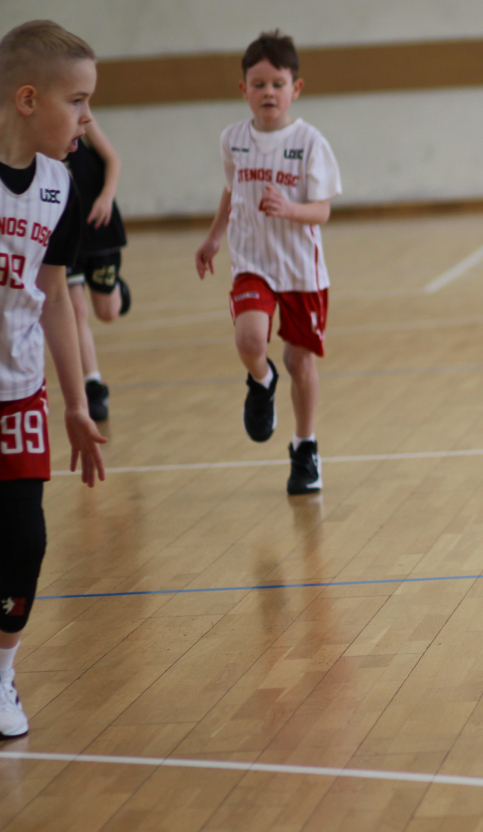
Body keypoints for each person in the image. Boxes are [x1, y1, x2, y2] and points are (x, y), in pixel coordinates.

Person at [0, 19, 107, 739]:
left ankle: (2, 673)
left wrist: (74, 402)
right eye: (78, 101)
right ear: (28, 99)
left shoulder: (60, 185)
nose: (87, 118)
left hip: (19, 391)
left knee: (25, 542)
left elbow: (57, 296)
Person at [195, 30, 341, 495]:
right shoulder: (233, 140)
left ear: (295, 88)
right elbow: (232, 189)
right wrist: (213, 237)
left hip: (301, 270)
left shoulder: (310, 142)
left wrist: (290, 209)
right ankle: (261, 379)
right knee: (250, 338)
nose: (268, 93)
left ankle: (305, 447)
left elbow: (322, 210)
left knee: (300, 362)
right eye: (258, 84)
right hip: (252, 261)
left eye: (278, 84)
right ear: (244, 90)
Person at [65, 116, 130, 422]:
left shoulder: (80, 113)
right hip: (66, 233)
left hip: (98, 225)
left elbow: (113, 159)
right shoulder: (34, 128)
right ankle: (94, 386)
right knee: (76, 310)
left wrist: (106, 197)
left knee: (107, 312)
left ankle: (118, 288)